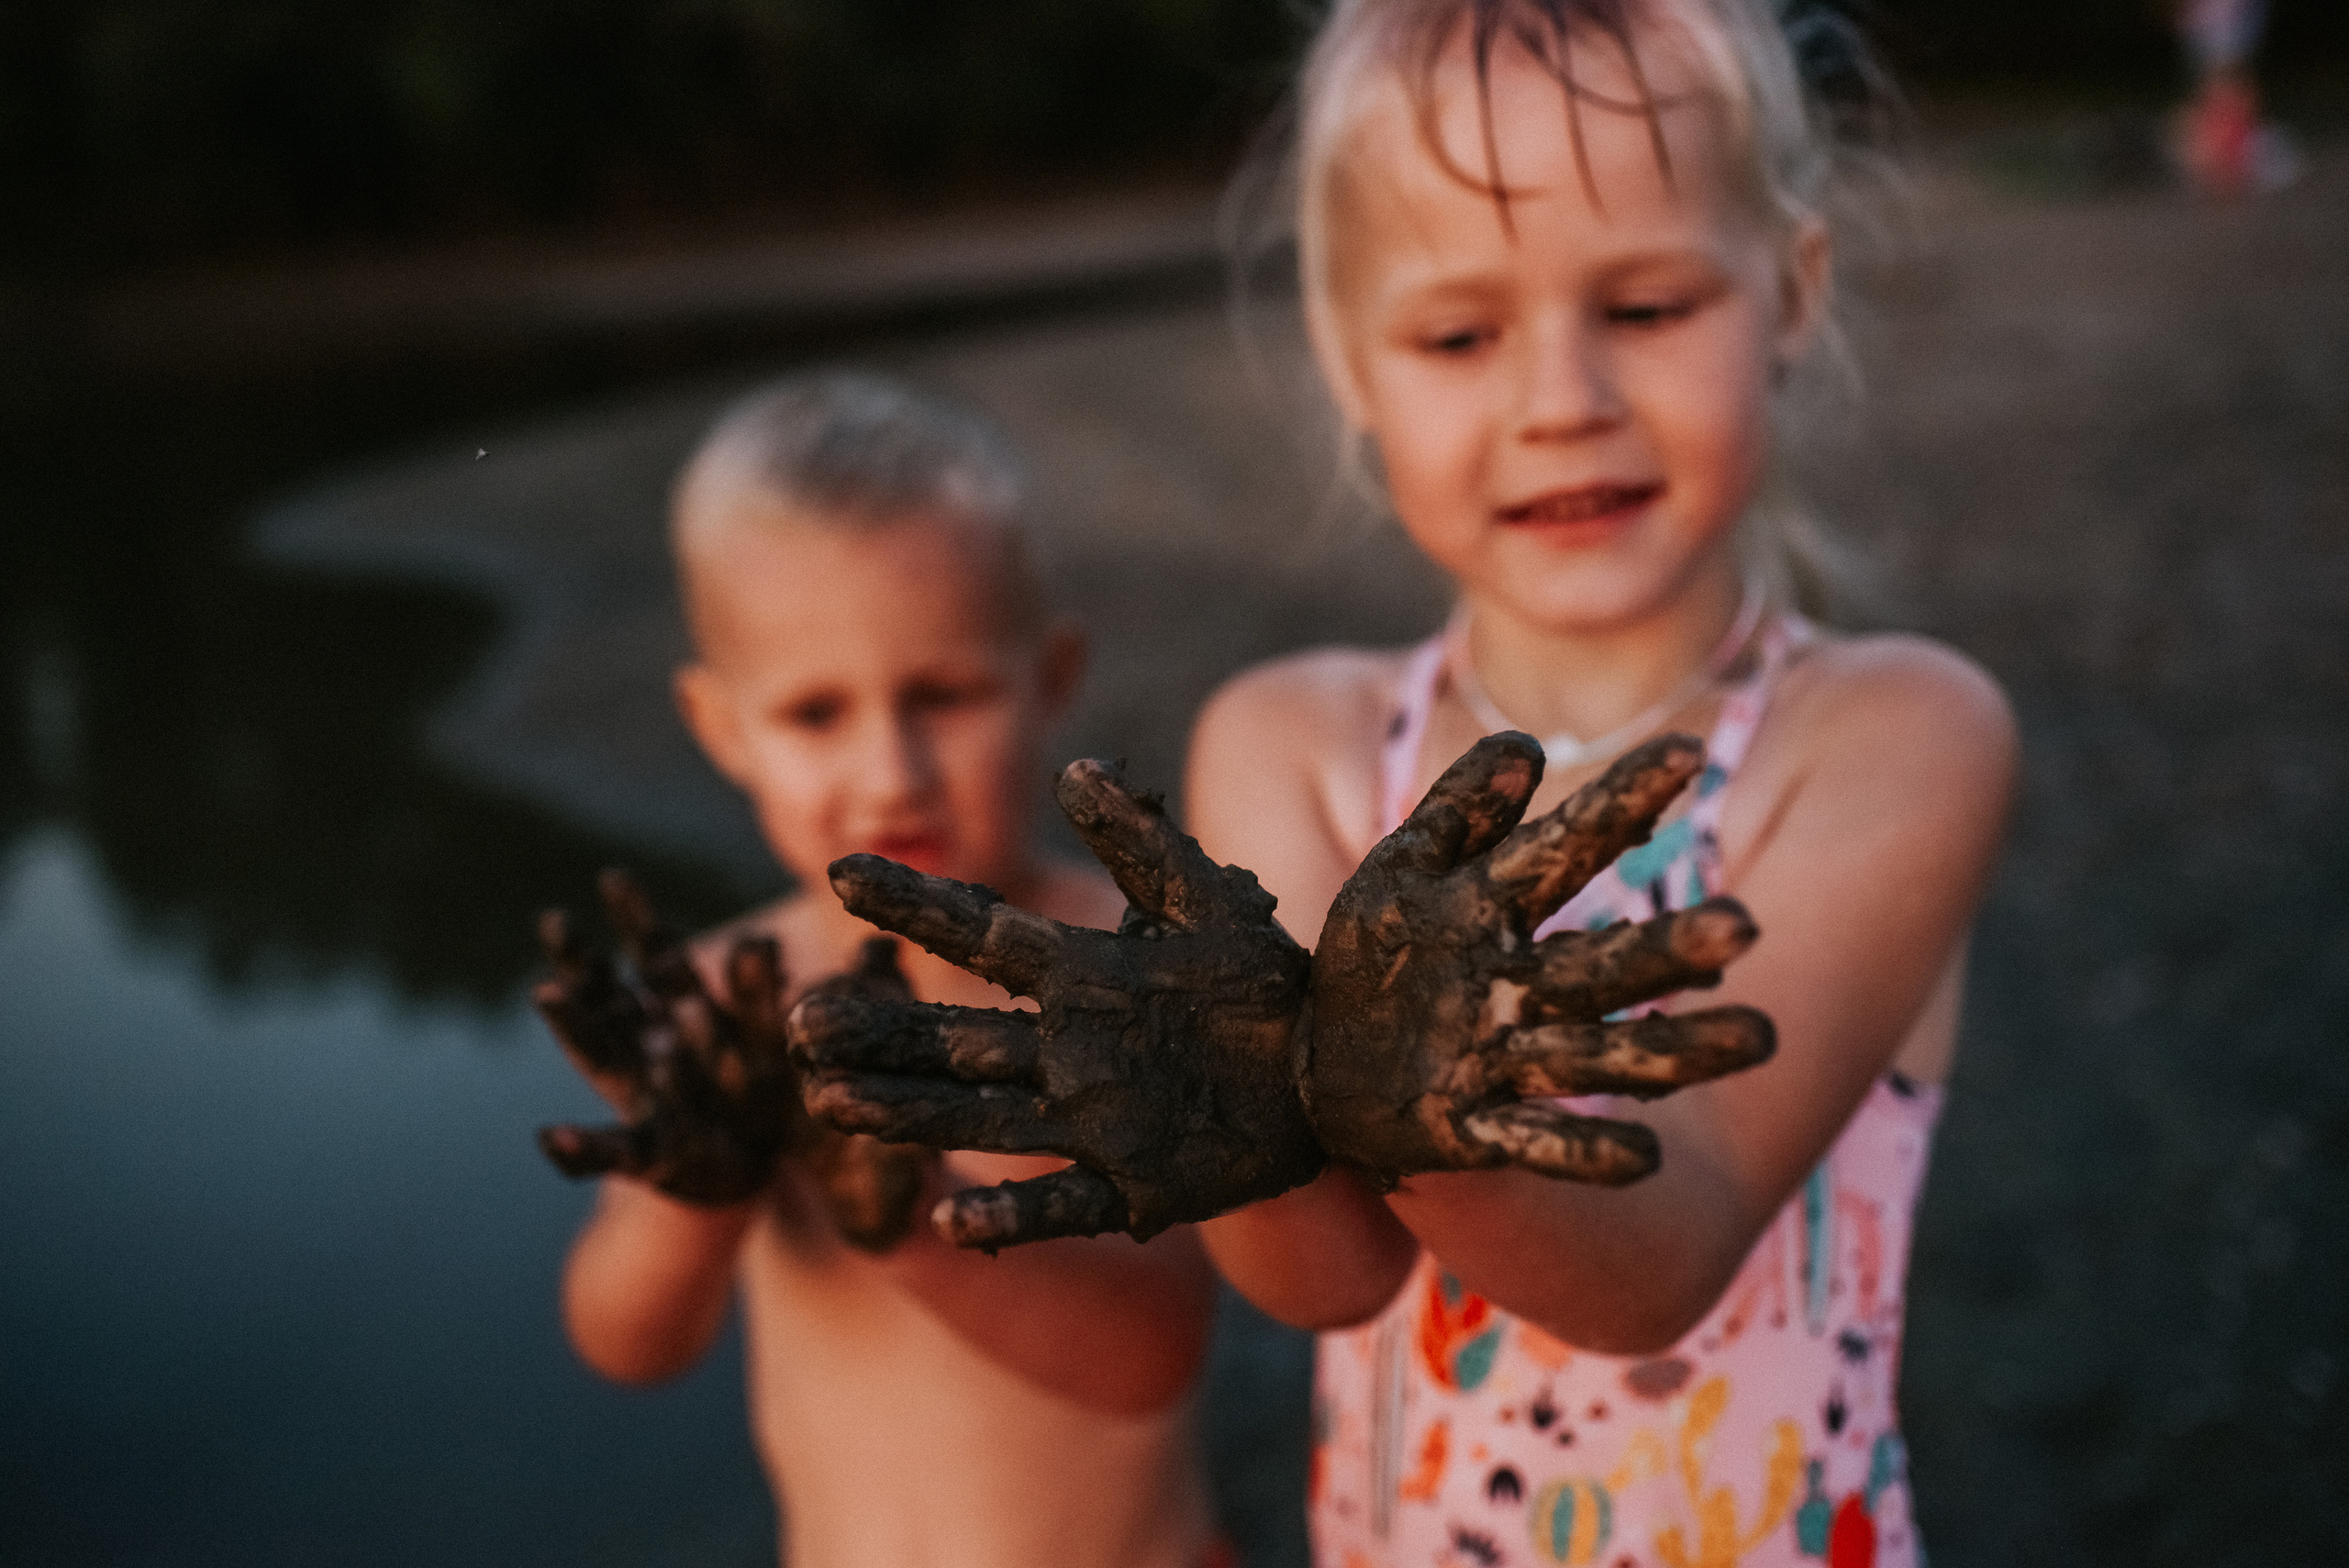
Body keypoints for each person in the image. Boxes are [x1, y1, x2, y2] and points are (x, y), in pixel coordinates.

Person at [1175, 3, 2016, 1564]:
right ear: (1352, 364)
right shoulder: (1285, 744)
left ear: (1791, 294)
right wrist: (1206, 1109)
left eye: (1642, 305)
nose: (1561, 395)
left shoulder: (1890, 736)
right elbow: (1322, 1273)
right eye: (1457, 334)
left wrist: (1394, 1097)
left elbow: (1664, 1245)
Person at [544, 372, 1227, 1568]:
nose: (891, 767)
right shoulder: (720, 1003)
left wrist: (910, 1219)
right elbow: (627, 1341)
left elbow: (1153, 1349)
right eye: (815, 713)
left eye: (943, 694)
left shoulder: (1129, 972)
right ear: (722, 728)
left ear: (1051, 677)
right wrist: (689, 1194)